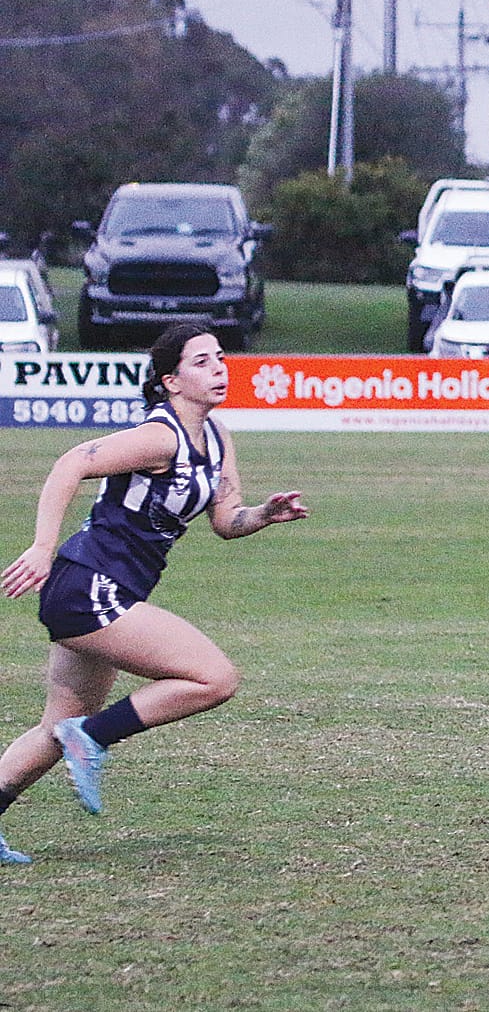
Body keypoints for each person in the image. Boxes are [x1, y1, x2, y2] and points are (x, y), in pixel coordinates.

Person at [0, 324, 308, 863]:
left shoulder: (217, 436)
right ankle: (92, 737)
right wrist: (43, 546)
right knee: (214, 679)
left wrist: (263, 514)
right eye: (201, 362)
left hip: (101, 589)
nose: (219, 369)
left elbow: (226, 521)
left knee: (55, 729)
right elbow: (72, 462)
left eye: (220, 358)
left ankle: (81, 736)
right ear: (171, 381)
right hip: (89, 584)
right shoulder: (160, 436)